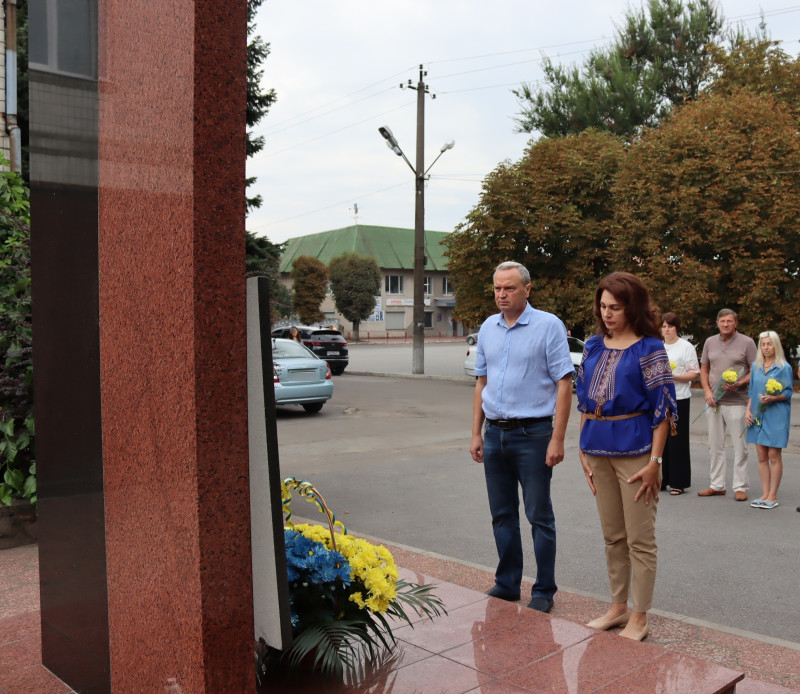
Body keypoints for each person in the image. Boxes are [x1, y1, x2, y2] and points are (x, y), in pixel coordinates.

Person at [577, 272, 677, 642]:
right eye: (603, 306)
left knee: (640, 539)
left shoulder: (650, 348)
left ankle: (639, 616)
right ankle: (618, 607)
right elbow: (584, 400)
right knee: (612, 536)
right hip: (596, 449)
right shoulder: (592, 345)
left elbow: (663, 410)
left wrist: (655, 463)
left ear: (632, 308)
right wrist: (581, 448)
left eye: (615, 308)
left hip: (637, 454)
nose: (607, 314)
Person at [470, 261, 574, 613]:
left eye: (509, 288)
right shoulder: (488, 327)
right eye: (497, 288)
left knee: (538, 515)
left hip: (534, 434)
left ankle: (543, 590)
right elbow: (481, 382)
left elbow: (564, 383)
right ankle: (507, 583)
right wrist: (476, 433)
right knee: (501, 514)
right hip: (494, 434)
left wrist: (557, 438)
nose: (502, 294)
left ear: (527, 289)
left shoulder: (548, 325)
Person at [698, 309, 757, 501]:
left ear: (736, 323)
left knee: (740, 446)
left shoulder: (747, 343)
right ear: (717, 323)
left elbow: (755, 371)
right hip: (714, 401)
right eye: (722, 321)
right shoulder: (709, 342)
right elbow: (704, 368)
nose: (725, 324)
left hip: (737, 401)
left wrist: (739, 383)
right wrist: (707, 391)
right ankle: (717, 485)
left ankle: (740, 487)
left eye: (729, 321)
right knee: (715, 445)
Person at [745, 332, 793, 509]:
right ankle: (764, 494)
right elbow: (752, 391)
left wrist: (773, 398)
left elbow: (788, 392)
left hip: (776, 414)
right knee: (761, 455)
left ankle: (773, 496)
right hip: (758, 414)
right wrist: (748, 410)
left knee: (774, 455)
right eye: (763, 344)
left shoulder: (784, 367)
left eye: (769, 344)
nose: (766, 347)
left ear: (776, 346)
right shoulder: (756, 366)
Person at [660, 313, 700, 495]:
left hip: (679, 398)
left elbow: (694, 373)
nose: (666, 330)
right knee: (660, 439)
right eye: (664, 326)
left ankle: (678, 481)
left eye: (670, 326)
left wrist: (674, 377)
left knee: (677, 439)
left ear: (676, 328)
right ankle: (661, 479)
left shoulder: (686, 347)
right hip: (660, 399)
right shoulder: (658, 347)